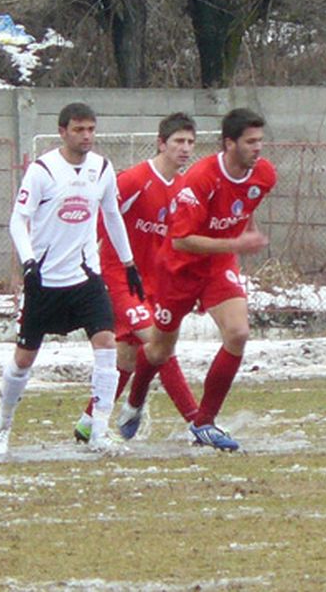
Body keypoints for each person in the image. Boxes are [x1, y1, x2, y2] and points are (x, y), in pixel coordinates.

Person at [0, 102, 145, 457]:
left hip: (86, 277)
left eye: (91, 129)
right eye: (78, 130)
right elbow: (18, 220)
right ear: (63, 132)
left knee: (106, 344)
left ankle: (99, 432)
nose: (86, 136)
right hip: (45, 281)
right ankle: (3, 425)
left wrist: (128, 262)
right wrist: (29, 262)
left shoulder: (102, 168)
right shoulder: (43, 170)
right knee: (24, 359)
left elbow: (112, 215)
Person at [133, 107, 277, 451]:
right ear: (230, 143)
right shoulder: (201, 177)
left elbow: (246, 204)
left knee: (238, 333)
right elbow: (181, 239)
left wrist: (248, 234)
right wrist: (236, 242)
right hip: (180, 269)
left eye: (260, 141)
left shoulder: (265, 174)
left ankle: (204, 423)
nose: (258, 148)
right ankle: (134, 402)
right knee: (159, 349)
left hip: (218, 265)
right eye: (250, 142)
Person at [70, 113, 201, 443]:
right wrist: (83, 269)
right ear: (161, 143)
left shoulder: (185, 190)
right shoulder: (132, 180)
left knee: (126, 360)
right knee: (160, 345)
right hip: (120, 278)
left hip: (157, 285)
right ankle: (200, 423)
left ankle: (88, 422)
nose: (185, 149)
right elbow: (100, 226)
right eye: (178, 142)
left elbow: (183, 243)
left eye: (190, 143)